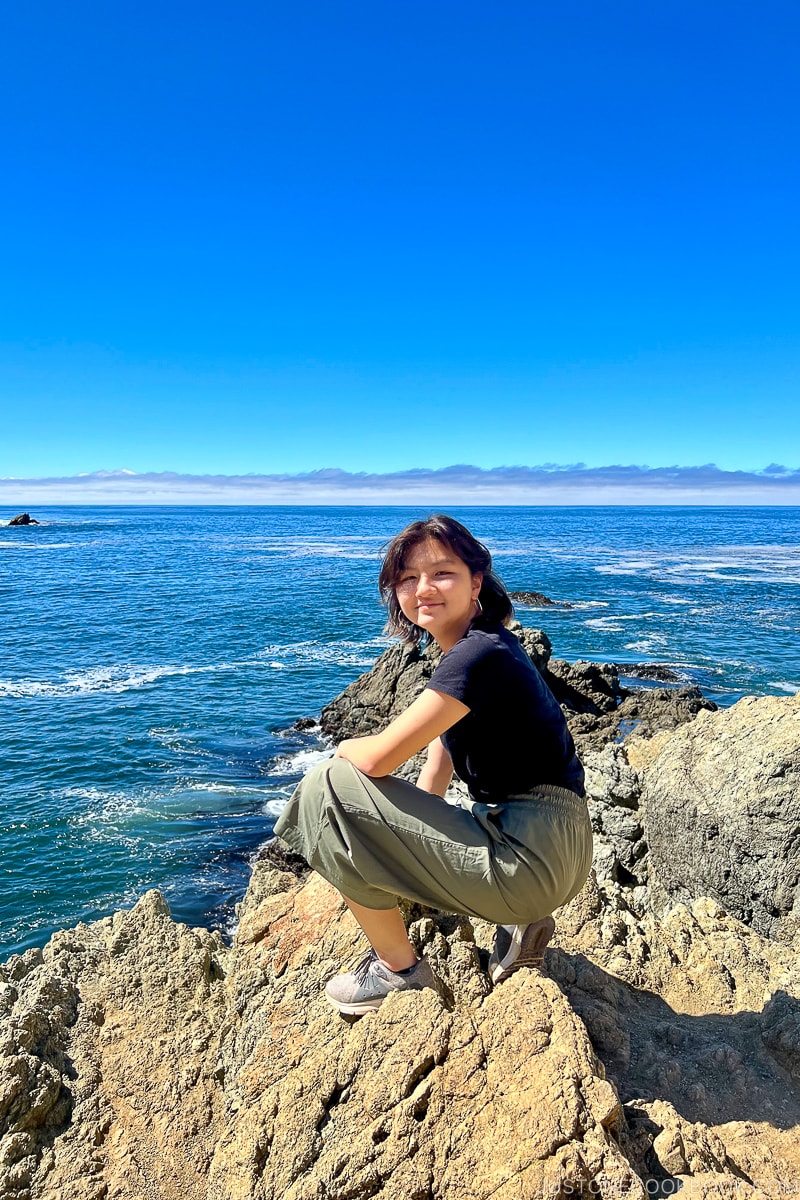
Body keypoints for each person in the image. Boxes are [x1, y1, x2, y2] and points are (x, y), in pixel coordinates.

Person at [274, 514, 592, 1016]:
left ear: (476, 582)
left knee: (324, 788)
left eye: (442, 572)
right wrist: (402, 846)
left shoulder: (474, 658)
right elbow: (435, 774)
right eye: (406, 578)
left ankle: (398, 972)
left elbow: (377, 758)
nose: (422, 588)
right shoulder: (487, 648)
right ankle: (521, 921)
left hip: (529, 858)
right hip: (560, 849)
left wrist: (343, 749)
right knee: (354, 801)